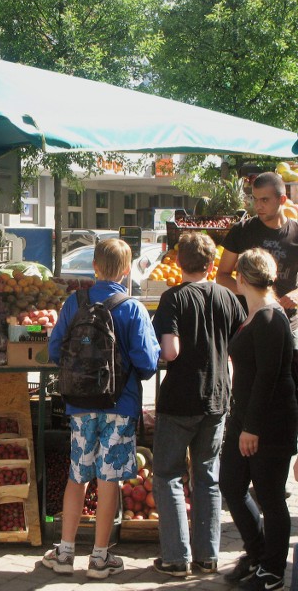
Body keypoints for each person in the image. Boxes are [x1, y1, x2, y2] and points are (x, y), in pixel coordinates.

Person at [42, 238, 160, 578]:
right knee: (109, 482)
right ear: (126, 270)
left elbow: (54, 351)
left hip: (80, 405)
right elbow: (148, 363)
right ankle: (99, 557)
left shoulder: (74, 302)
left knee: (77, 476)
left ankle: (64, 553)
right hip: (119, 406)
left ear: (94, 266)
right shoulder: (132, 307)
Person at [151, 233, 246, 577]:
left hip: (180, 398)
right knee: (208, 477)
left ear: (179, 263)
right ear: (210, 264)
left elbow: (170, 351)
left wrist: (158, 351)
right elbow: (239, 343)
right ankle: (208, 556)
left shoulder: (172, 298)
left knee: (168, 475)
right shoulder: (227, 296)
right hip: (218, 398)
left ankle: (176, 558)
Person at [219, 248, 297, 591]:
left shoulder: (269, 317)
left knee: (269, 496)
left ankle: (273, 571)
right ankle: (257, 552)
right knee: (232, 485)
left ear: (241, 277)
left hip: (269, 422)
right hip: (245, 416)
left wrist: (251, 427)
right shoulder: (255, 314)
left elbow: (268, 378)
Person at [216, 171, 298, 343]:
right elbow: (222, 276)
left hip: (287, 324)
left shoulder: (296, 232)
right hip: (247, 322)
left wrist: (297, 294)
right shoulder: (242, 230)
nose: (258, 206)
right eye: (255, 199)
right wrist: (250, 292)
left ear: (282, 200)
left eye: (265, 200)